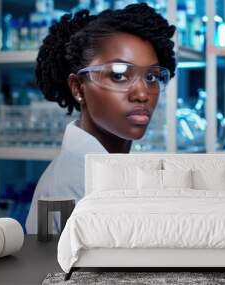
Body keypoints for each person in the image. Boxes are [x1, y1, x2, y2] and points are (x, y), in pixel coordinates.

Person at [26, 3, 176, 233]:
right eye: (119, 75)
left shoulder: (115, 169)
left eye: (152, 77)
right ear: (78, 88)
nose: (143, 94)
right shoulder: (70, 183)